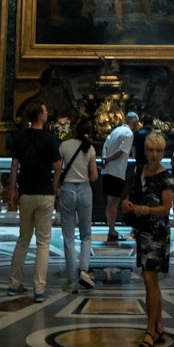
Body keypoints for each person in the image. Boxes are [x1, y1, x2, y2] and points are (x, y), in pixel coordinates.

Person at [123, 124, 174, 347]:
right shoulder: (141, 172)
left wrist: (144, 210)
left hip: (157, 233)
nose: (154, 155)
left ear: (162, 153)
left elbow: (166, 209)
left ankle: (150, 330)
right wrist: (128, 204)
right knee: (151, 283)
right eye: (150, 150)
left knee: (149, 281)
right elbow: (134, 196)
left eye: (158, 151)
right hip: (143, 233)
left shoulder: (165, 177)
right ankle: (160, 326)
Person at [8, 103, 61, 299]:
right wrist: (54, 187)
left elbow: (14, 167)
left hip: (26, 193)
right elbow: (58, 166)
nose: (47, 114)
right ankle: (39, 289)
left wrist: (12, 190)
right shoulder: (49, 138)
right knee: (43, 242)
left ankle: (14, 284)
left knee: (23, 239)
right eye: (46, 111)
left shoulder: (20, 137)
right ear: (40, 115)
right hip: (44, 193)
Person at [57, 117, 98, 291]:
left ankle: (71, 280)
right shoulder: (90, 149)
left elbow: (58, 170)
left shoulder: (64, 146)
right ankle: (84, 270)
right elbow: (95, 176)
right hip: (84, 190)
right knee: (86, 234)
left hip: (67, 190)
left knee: (68, 236)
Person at [100, 111, 137, 243]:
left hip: (107, 171)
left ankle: (111, 228)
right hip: (117, 171)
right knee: (114, 202)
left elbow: (105, 145)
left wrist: (104, 159)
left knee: (110, 202)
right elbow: (122, 151)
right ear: (133, 123)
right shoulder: (129, 133)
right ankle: (112, 230)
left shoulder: (115, 131)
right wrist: (109, 159)